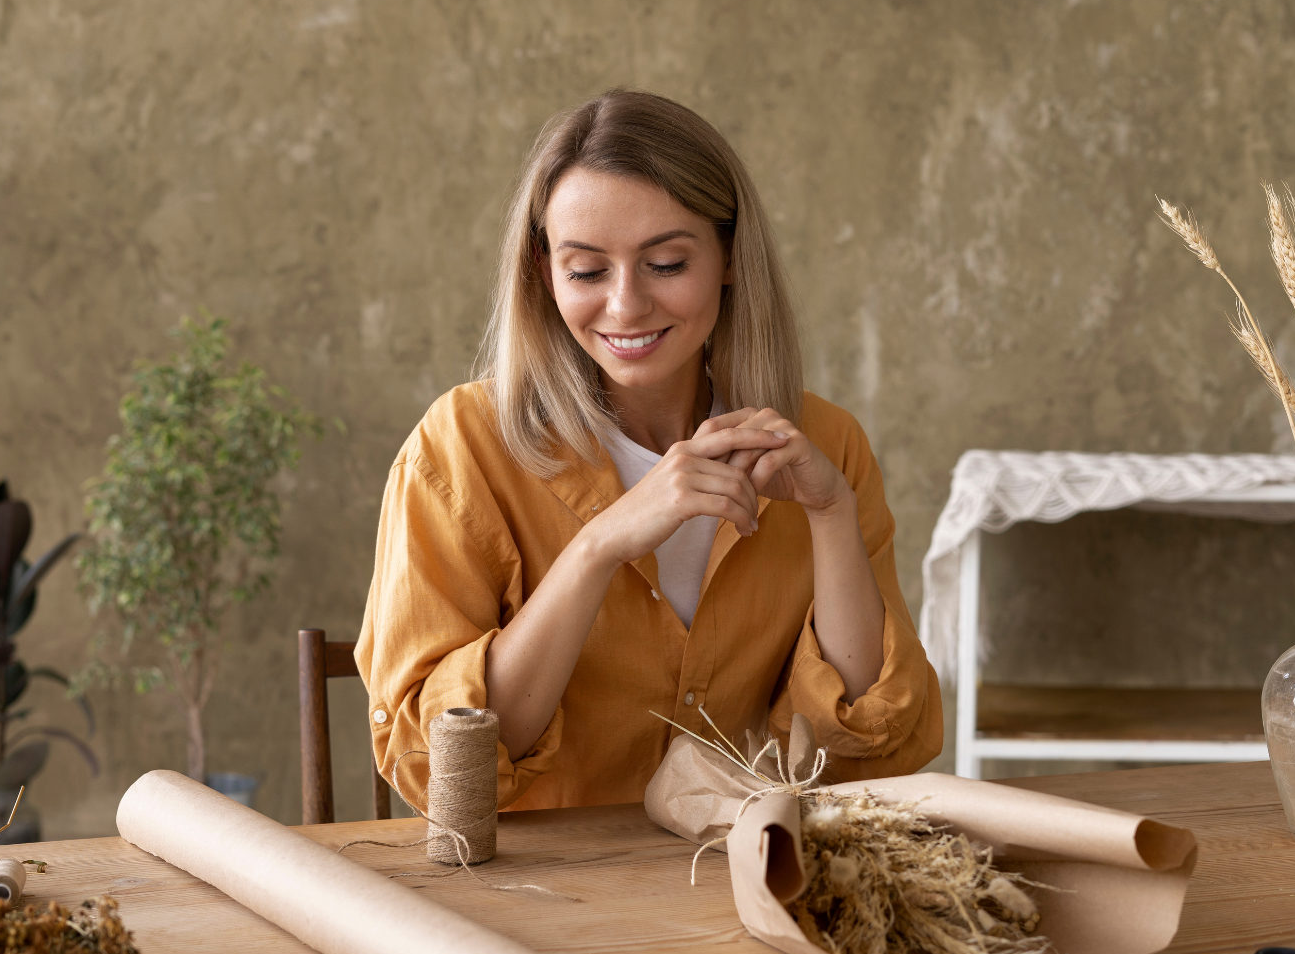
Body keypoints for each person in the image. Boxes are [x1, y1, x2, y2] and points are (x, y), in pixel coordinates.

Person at [356, 89, 941, 812]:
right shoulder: (457, 451)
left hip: (737, 882)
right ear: (545, 274)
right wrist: (600, 544)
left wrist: (829, 513)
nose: (626, 306)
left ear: (729, 256)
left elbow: (868, 746)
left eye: (666, 263)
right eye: (587, 270)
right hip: (531, 897)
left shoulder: (824, 444)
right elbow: (439, 769)